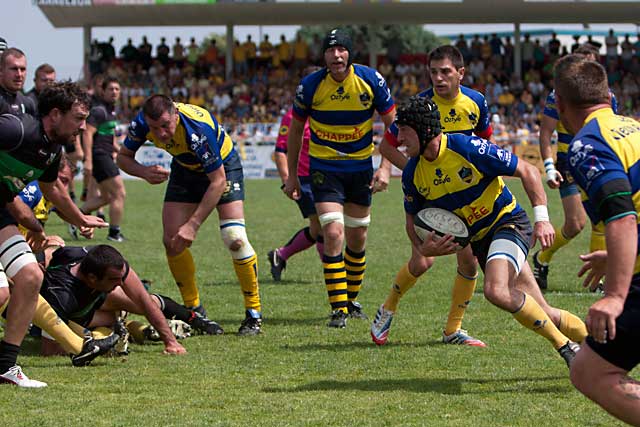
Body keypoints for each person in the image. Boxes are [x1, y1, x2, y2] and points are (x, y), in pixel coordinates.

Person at [372, 95, 586, 367]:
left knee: (496, 290)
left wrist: (542, 219)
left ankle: (566, 347)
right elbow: (411, 221)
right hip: (481, 240)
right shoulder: (414, 173)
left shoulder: (466, 147)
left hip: (507, 223)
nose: (398, 138)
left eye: (404, 130)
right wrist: (423, 247)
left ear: (425, 130)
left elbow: (529, 171)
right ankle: (599, 346)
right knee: (543, 310)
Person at [116, 95, 263, 336]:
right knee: (172, 241)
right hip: (185, 170)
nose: (161, 133)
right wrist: (143, 172)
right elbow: (122, 158)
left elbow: (217, 181)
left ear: (175, 114)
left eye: (166, 125)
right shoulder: (141, 123)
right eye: (155, 128)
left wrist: (193, 225)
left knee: (234, 237)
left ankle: (253, 314)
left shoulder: (197, 131)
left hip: (223, 169)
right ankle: (194, 310)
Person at [377, 45, 492, 346]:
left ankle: (453, 330)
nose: (438, 78)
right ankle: (387, 309)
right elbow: (387, 147)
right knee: (422, 260)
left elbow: (484, 148)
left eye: (445, 72)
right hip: (428, 195)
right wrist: (416, 172)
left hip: (462, 197)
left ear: (461, 73)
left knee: (468, 263)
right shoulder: (419, 105)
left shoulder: (476, 103)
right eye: (433, 72)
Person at [284, 28, 395, 328]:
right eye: (330, 50)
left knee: (358, 238)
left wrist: (385, 167)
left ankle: (351, 299)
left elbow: (393, 127)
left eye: (341, 49)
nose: (336, 55)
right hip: (325, 170)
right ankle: (338, 309)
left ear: (349, 53)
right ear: (324, 56)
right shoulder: (310, 86)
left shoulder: (371, 81)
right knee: (333, 233)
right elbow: (295, 132)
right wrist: (293, 177)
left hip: (359, 170)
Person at [0, 81, 107, 387]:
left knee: (31, 276)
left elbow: (53, 191)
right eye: (79, 118)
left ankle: (5, 367)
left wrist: (79, 217)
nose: (83, 126)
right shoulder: (15, 130)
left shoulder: (52, 149)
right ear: (56, 114)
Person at [553, 54, 640, 426]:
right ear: (609, 94)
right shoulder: (634, 129)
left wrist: (615, 295)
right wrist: (623, 255)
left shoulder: (588, 145)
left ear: (559, 104)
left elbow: (621, 216)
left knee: (590, 372)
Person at [534, 44, 618, 290]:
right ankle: (542, 258)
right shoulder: (558, 95)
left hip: (596, 160)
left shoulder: (608, 96)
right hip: (568, 163)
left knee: (599, 221)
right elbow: (545, 133)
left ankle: (598, 281)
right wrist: (549, 167)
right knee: (575, 224)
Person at [39, 245, 186, 359]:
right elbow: (50, 350)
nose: (121, 282)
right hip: (74, 315)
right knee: (110, 317)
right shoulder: (61, 296)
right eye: (114, 279)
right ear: (92, 278)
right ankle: (122, 330)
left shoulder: (102, 261)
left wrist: (171, 342)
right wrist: (98, 350)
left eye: (121, 277)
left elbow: (144, 301)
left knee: (142, 302)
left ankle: (195, 318)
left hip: (92, 299)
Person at [267, 66, 323, 282]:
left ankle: (280, 255)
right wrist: (287, 181)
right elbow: (281, 150)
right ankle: (334, 275)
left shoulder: (330, 112)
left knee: (320, 227)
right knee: (325, 227)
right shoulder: (293, 116)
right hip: (305, 180)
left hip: (329, 175)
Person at [80, 77, 127, 242]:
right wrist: (88, 161)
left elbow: (111, 137)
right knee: (119, 192)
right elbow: (87, 133)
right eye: (111, 89)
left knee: (107, 197)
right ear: (103, 91)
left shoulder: (111, 111)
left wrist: (121, 151)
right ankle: (114, 233)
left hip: (105, 155)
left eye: (117, 89)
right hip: (100, 156)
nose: (114, 92)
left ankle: (76, 217)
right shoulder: (99, 110)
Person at [0, 48, 36, 117]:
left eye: (22, 69)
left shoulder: (28, 104)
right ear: (1, 71)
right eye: (14, 69)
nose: (19, 74)